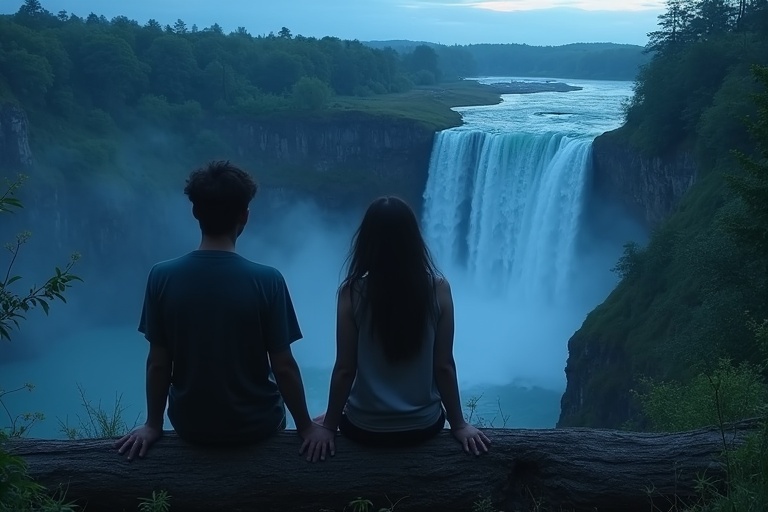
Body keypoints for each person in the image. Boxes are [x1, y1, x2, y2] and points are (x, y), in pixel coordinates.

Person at [115, 160, 328, 462]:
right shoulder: (267, 281)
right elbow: (283, 366)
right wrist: (306, 427)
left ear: (195, 212)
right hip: (256, 426)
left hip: (191, 427)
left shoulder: (161, 276)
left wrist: (153, 424)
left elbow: (158, 364)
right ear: (245, 215)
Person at [307, 196, 491, 458]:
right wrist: (459, 424)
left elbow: (345, 369)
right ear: (414, 240)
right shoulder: (438, 289)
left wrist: (330, 425)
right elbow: (443, 366)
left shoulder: (350, 292)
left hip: (364, 428)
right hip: (424, 427)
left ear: (366, 242)